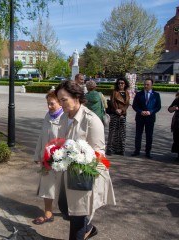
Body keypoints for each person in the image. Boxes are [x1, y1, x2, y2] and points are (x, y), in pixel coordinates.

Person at [54, 80, 115, 240]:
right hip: (66, 175)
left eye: (64, 99)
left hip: (83, 177)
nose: (61, 104)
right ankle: (89, 228)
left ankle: (82, 230)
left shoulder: (91, 120)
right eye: (59, 100)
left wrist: (81, 160)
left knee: (77, 218)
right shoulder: (63, 118)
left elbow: (99, 153)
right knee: (64, 207)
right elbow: (61, 142)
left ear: (76, 97)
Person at [33, 90, 64, 224]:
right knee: (47, 185)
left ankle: (70, 212)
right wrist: (37, 154)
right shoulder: (48, 116)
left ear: (60, 103)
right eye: (48, 103)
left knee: (63, 187)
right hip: (46, 158)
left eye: (52, 104)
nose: (49, 107)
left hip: (61, 159)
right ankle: (48, 212)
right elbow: (41, 136)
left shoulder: (65, 118)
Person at [131, 78, 161, 159]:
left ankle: (148, 152)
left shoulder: (156, 95)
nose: (146, 86)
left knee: (149, 135)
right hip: (140, 117)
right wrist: (140, 111)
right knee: (138, 135)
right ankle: (137, 150)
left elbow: (158, 107)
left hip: (150, 118)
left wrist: (151, 112)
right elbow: (134, 105)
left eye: (148, 84)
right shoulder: (139, 94)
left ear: (152, 85)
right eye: (145, 84)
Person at [106, 78, 130, 156]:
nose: (120, 84)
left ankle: (120, 149)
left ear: (125, 84)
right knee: (112, 132)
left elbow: (127, 104)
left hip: (123, 114)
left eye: (122, 83)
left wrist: (122, 111)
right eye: (119, 83)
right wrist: (116, 109)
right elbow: (112, 102)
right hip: (114, 113)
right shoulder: (114, 92)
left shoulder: (127, 93)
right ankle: (110, 149)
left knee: (122, 132)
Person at [168, 91, 179, 161]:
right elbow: (169, 109)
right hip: (177, 122)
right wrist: (174, 108)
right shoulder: (177, 100)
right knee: (177, 139)